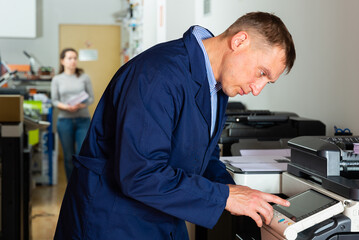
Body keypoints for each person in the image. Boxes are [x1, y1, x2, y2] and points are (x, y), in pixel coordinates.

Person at [55, 12, 295, 239]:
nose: (257, 88)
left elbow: (204, 156)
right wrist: (223, 197)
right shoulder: (157, 74)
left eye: (267, 81)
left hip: (161, 214)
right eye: (261, 73)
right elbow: (140, 173)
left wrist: (233, 192)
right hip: (113, 218)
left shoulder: (215, 85)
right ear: (240, 41)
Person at [51, 48, 94, 180]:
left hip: (83, 120)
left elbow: (91, 98)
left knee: (83, 154)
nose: (73, 61)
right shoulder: (57, 79)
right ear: (62, 61)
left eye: (75, 58)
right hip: (65, 121)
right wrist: (66, 107)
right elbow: (54, 100)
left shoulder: (84, 77)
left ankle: (83, 185)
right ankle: (71, 186)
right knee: (69, 157)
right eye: (69, 58)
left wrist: (81, 105)